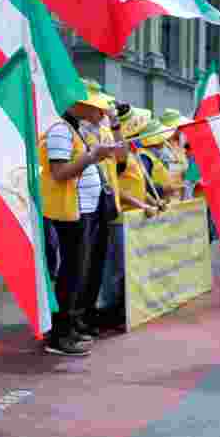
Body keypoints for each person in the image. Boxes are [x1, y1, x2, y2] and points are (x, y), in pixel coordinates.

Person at [38, 83, 118, 356]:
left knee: (78, 271)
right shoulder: (60, 130)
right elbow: (59, 172)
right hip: (68, 212)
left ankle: (69, 327)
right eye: (93, 106)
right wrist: (91, 157)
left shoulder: (73, 130)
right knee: (70, 273)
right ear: (77, 105)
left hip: (82, 210)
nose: (98, 112)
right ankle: (60, 335)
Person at [97, 106, 158, 330]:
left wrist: (153, 201)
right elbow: (118, 190)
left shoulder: (134, 154)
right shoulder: (117, 156)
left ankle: (123, 310)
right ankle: (110, 311)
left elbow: (138, 185)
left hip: (134, 219)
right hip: (120, 220)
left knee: (128, 267)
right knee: (116, 269)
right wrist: (143, 204)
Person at [76, 83, 128, 337]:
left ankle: (88, 313)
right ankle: (79, 315)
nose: (103, 113)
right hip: (85, 205)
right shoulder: (79, 131)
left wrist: (116, 126)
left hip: (107, 202)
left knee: (97, 261)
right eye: (98, 108)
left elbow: (122, 158)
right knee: (83, 263)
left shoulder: (105, 128)